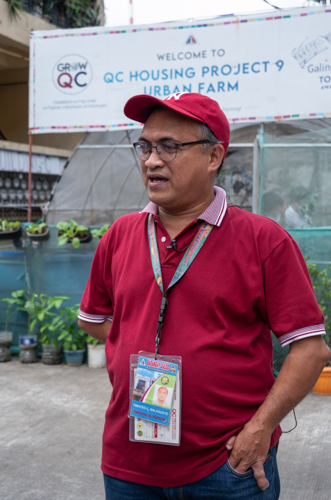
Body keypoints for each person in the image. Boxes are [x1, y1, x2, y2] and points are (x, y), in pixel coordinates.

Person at [78, 92, 330, 500]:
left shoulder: (263, 241)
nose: (151, 160)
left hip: (228, 467)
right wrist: (138, 342)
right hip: (130, 466)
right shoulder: (120, 236)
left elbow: (311, 349)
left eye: (170, 147)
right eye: (145, 146)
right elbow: (92, 319)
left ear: (214, 156)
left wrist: (260, 428)